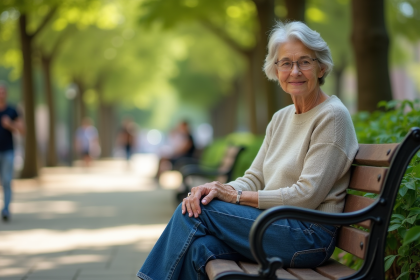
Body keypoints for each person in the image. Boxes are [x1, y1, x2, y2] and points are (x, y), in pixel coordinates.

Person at [137, 21, 359, 280]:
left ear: (321, 66)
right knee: (200, 247)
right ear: (275, 70)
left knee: (196, 211)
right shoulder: (281, 118)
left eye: (305, 62)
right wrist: (215, 190)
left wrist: (236, 198)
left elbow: (306, 196)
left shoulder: (332, 117)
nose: (295, 71)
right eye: (286, 63)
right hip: (275, 225)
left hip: (307, 237)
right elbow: (254, 177)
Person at [0, 84, 25, 222]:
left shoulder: (12, 111)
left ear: (6, 94)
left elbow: (23, 130)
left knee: (6, 180)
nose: (1, 94)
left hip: (8, 151)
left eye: (3, 92)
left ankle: (6, 209)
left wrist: (10, 125)